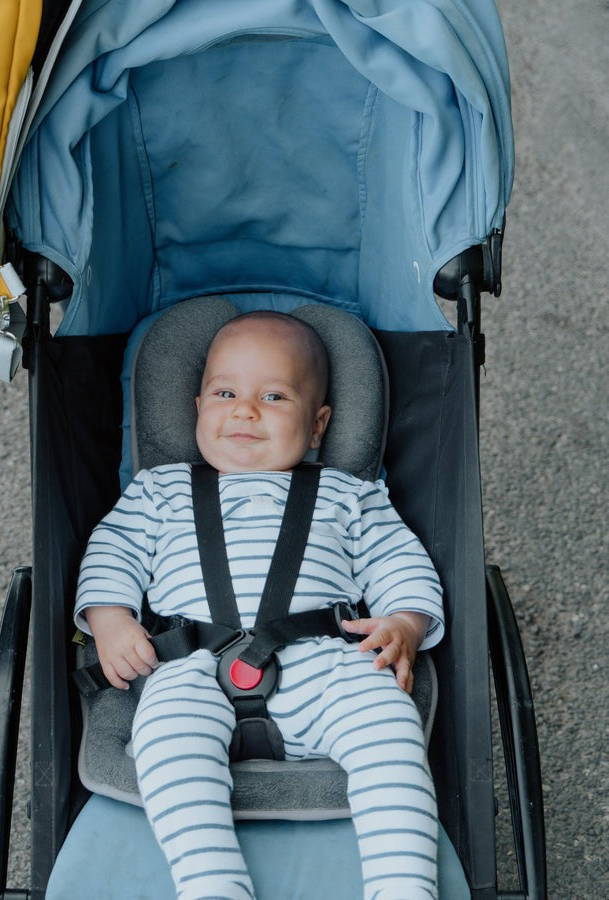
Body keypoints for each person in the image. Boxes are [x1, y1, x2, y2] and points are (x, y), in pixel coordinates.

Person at [74, 311, 444, 900]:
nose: (245, 411)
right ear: (198, 406)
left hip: (326, 667)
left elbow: (399, 559)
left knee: (387, 726)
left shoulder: (351, 494)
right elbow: (111, 551)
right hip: (192, 667)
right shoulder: (159, 490)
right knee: (166, 737)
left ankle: (403, 887)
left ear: (318, 424)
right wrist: (110, 617)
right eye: (226, 394)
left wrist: (406, 621)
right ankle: (212, 885)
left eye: (273, 396)